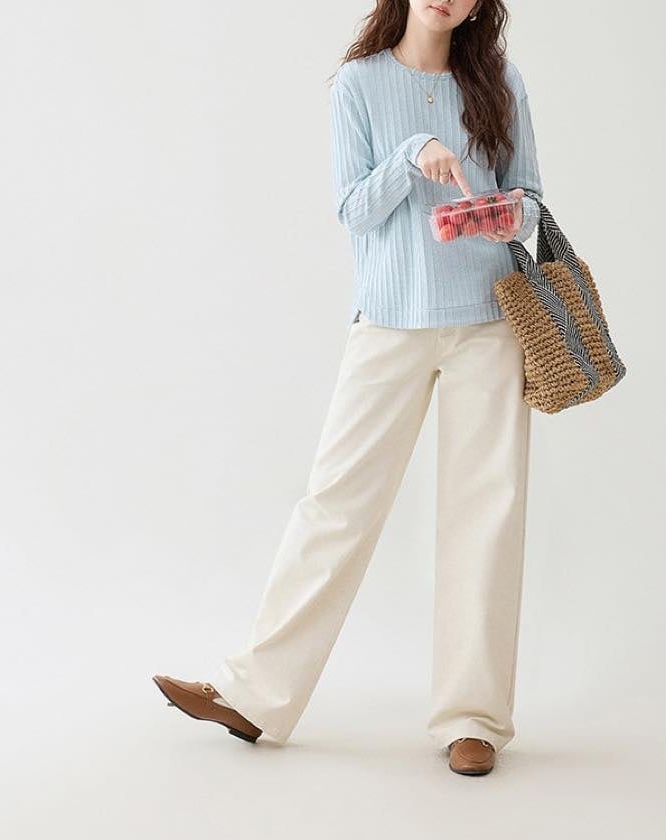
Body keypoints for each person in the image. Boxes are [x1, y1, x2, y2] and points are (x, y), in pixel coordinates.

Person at [153, 0, 543, 778]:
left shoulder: (500, 81)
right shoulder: (360, 85)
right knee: (336, 504)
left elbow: (530, 196)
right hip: (389, 323)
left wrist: (505, 216)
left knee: (485, 518)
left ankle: (473, 719)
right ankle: (256, 695)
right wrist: (411, 155)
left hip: (488, 326)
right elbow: (353, 212)